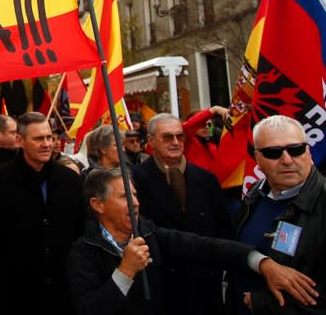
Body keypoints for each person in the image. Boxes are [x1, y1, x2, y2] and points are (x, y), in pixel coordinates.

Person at [68, 167, 317, 315]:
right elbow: (91, 310)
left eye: (134, 194)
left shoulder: (151, 235)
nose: (134, 202)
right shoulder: (83, 252)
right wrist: (126, 271)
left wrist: (263, 264)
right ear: (97, 205)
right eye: (123, 196)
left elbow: (206, 247)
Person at [0, 111, 85, 314]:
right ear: (20, 140)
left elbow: (80, 233)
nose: (47, 144)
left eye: (49, 137)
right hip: (17, 294)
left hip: (64, 293)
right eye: (38, 139)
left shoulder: (70, 180)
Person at [131, 113, 234, 315]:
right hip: (164, 287)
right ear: (151, 140)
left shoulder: (206, 179)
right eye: (168, 137)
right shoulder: (135, 180)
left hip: (205, 285)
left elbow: (224, 227)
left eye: (180, 136)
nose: (176, 142)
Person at [233, 115, 326, 313]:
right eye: (273, 152)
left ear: (308, 152)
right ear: (257, 158)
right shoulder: (254, 194)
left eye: (296, 149)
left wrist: (264, 303)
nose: (286, 159)